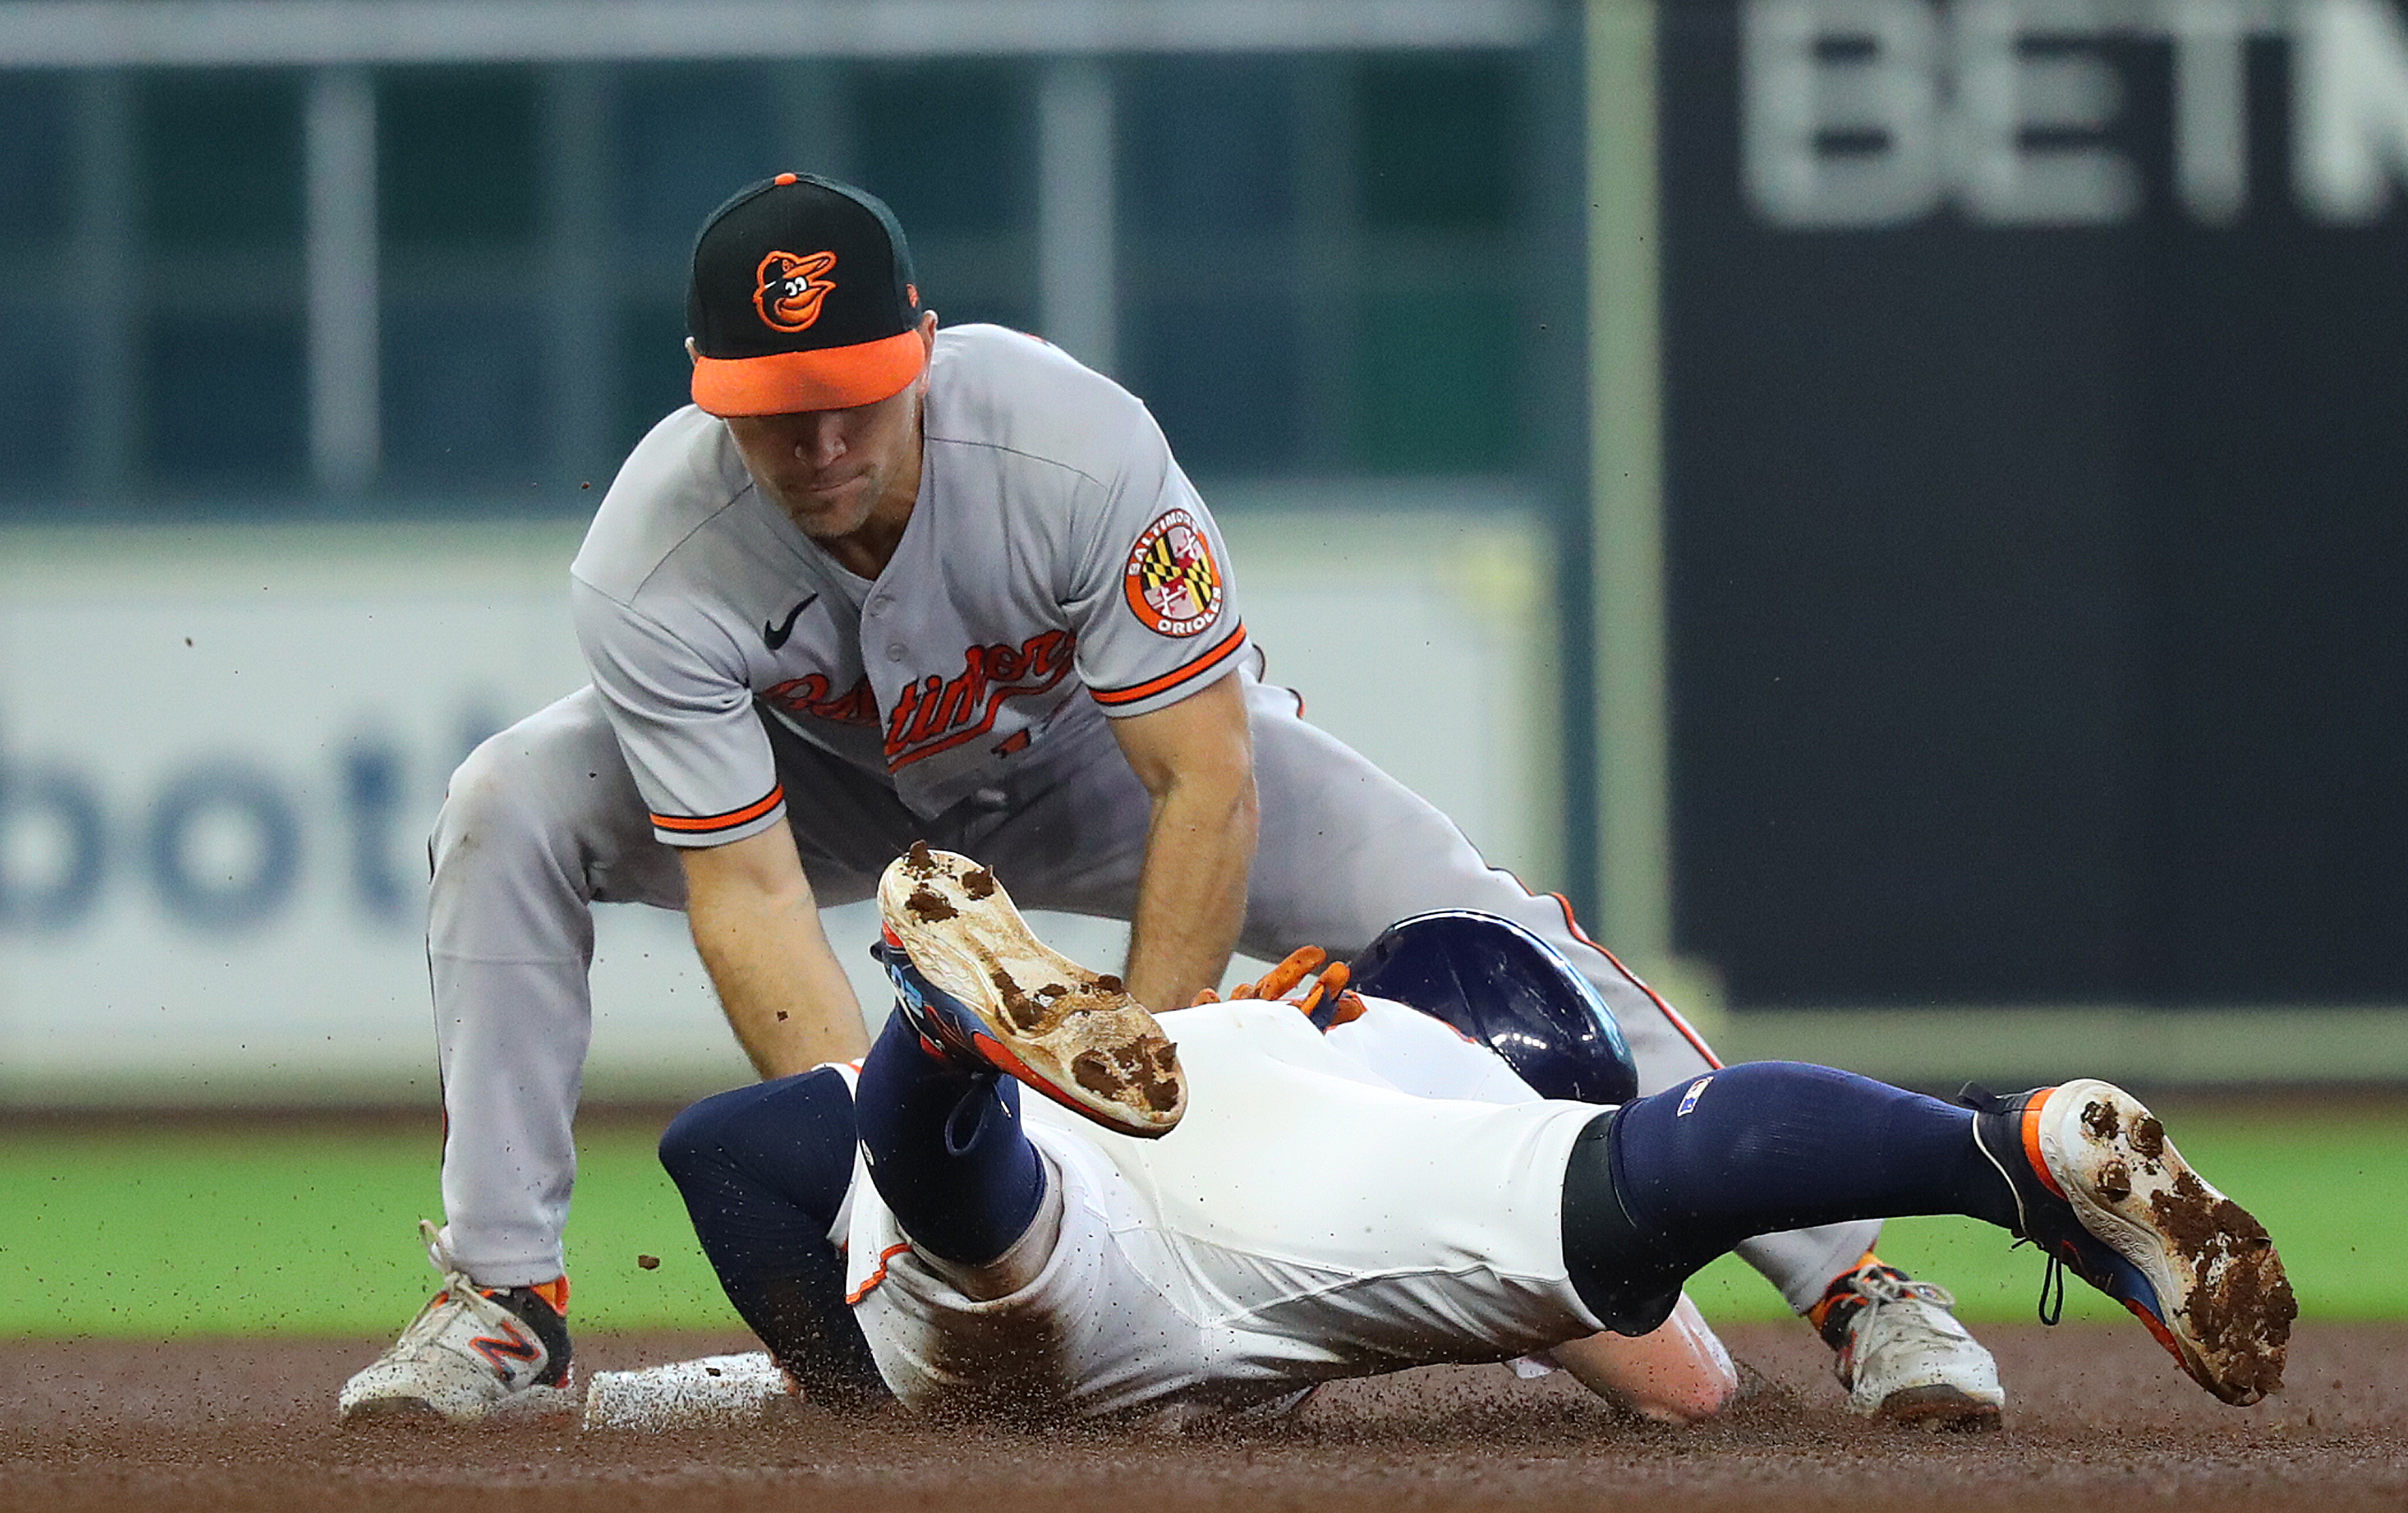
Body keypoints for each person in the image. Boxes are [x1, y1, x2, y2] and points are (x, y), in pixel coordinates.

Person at [337, 174, 1997, 1425]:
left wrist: (1152, 1069)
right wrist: (890, 1191)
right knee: (505, 805)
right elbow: (754, 894)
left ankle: (1862, 1285)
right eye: (777, 409)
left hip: (1092, 762)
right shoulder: (655, 555)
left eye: (853, 381)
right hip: (831, 784)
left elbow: (1202, 776)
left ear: (919, 349)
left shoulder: (1068, 444)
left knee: (1495, 918)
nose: (824, 433)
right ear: (717, 403)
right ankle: (509, 1299)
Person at [633, 847, 2294, 1427]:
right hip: (1319, 1210)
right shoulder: (1484, 1095)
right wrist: (1530, 1344)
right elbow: (1689, 1383)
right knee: (1655, 1184)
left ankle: (939, 1045)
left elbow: (716, 1150)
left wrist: (839, 1390)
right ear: (1556, 1056)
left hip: (1167, 1081)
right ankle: (1994, 1151)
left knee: (980, 1248)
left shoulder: (1283, 1018)